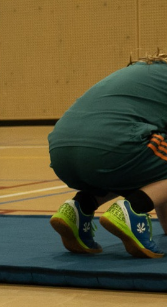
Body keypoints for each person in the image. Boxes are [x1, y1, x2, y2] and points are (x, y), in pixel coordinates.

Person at [48, 54, 167, 258]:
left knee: (132, 162)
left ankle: (79, 208)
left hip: (61, 150)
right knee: (126, 154)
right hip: (112, 147)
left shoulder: (140, 72)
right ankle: (133, 210)